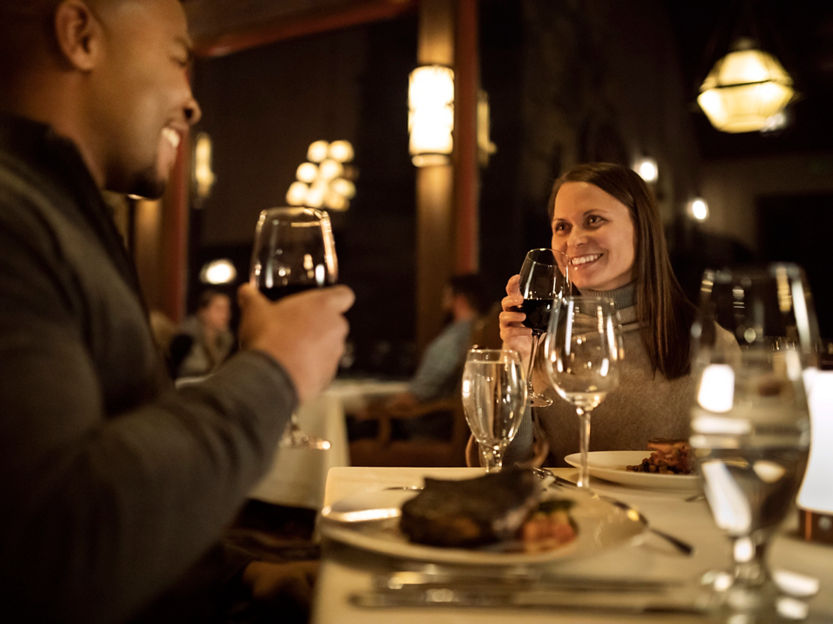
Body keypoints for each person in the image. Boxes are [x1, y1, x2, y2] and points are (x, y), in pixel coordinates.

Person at [0, 1, 353, 622]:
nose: (191, 103)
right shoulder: (14, 221)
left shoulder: (61, 215)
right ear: (80, 36)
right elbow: (54, 545)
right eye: (178, 57)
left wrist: (237, 573)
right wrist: (277, 370)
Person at [496, 162, 698, 466]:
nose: (574, 240)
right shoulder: (542, 336)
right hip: (567, 511)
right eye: (562, 227)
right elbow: (503, 464)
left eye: (593, 220)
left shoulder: (704, 342)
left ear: (642, 230)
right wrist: (516, 360)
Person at [350, 273, 492, 440]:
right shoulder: (484, 333)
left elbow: (417, 395)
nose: (443, 299)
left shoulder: (453, 340)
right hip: (454, 426)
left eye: (446, 294)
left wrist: (375, 411)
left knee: (353, 425)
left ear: (459, 299)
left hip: (429, 428)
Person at [170, 289, 235, 379]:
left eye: (228, 309)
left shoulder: (227, 341)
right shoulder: (185, 339)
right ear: (204, 312)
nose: (226, 314)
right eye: (219, 309)